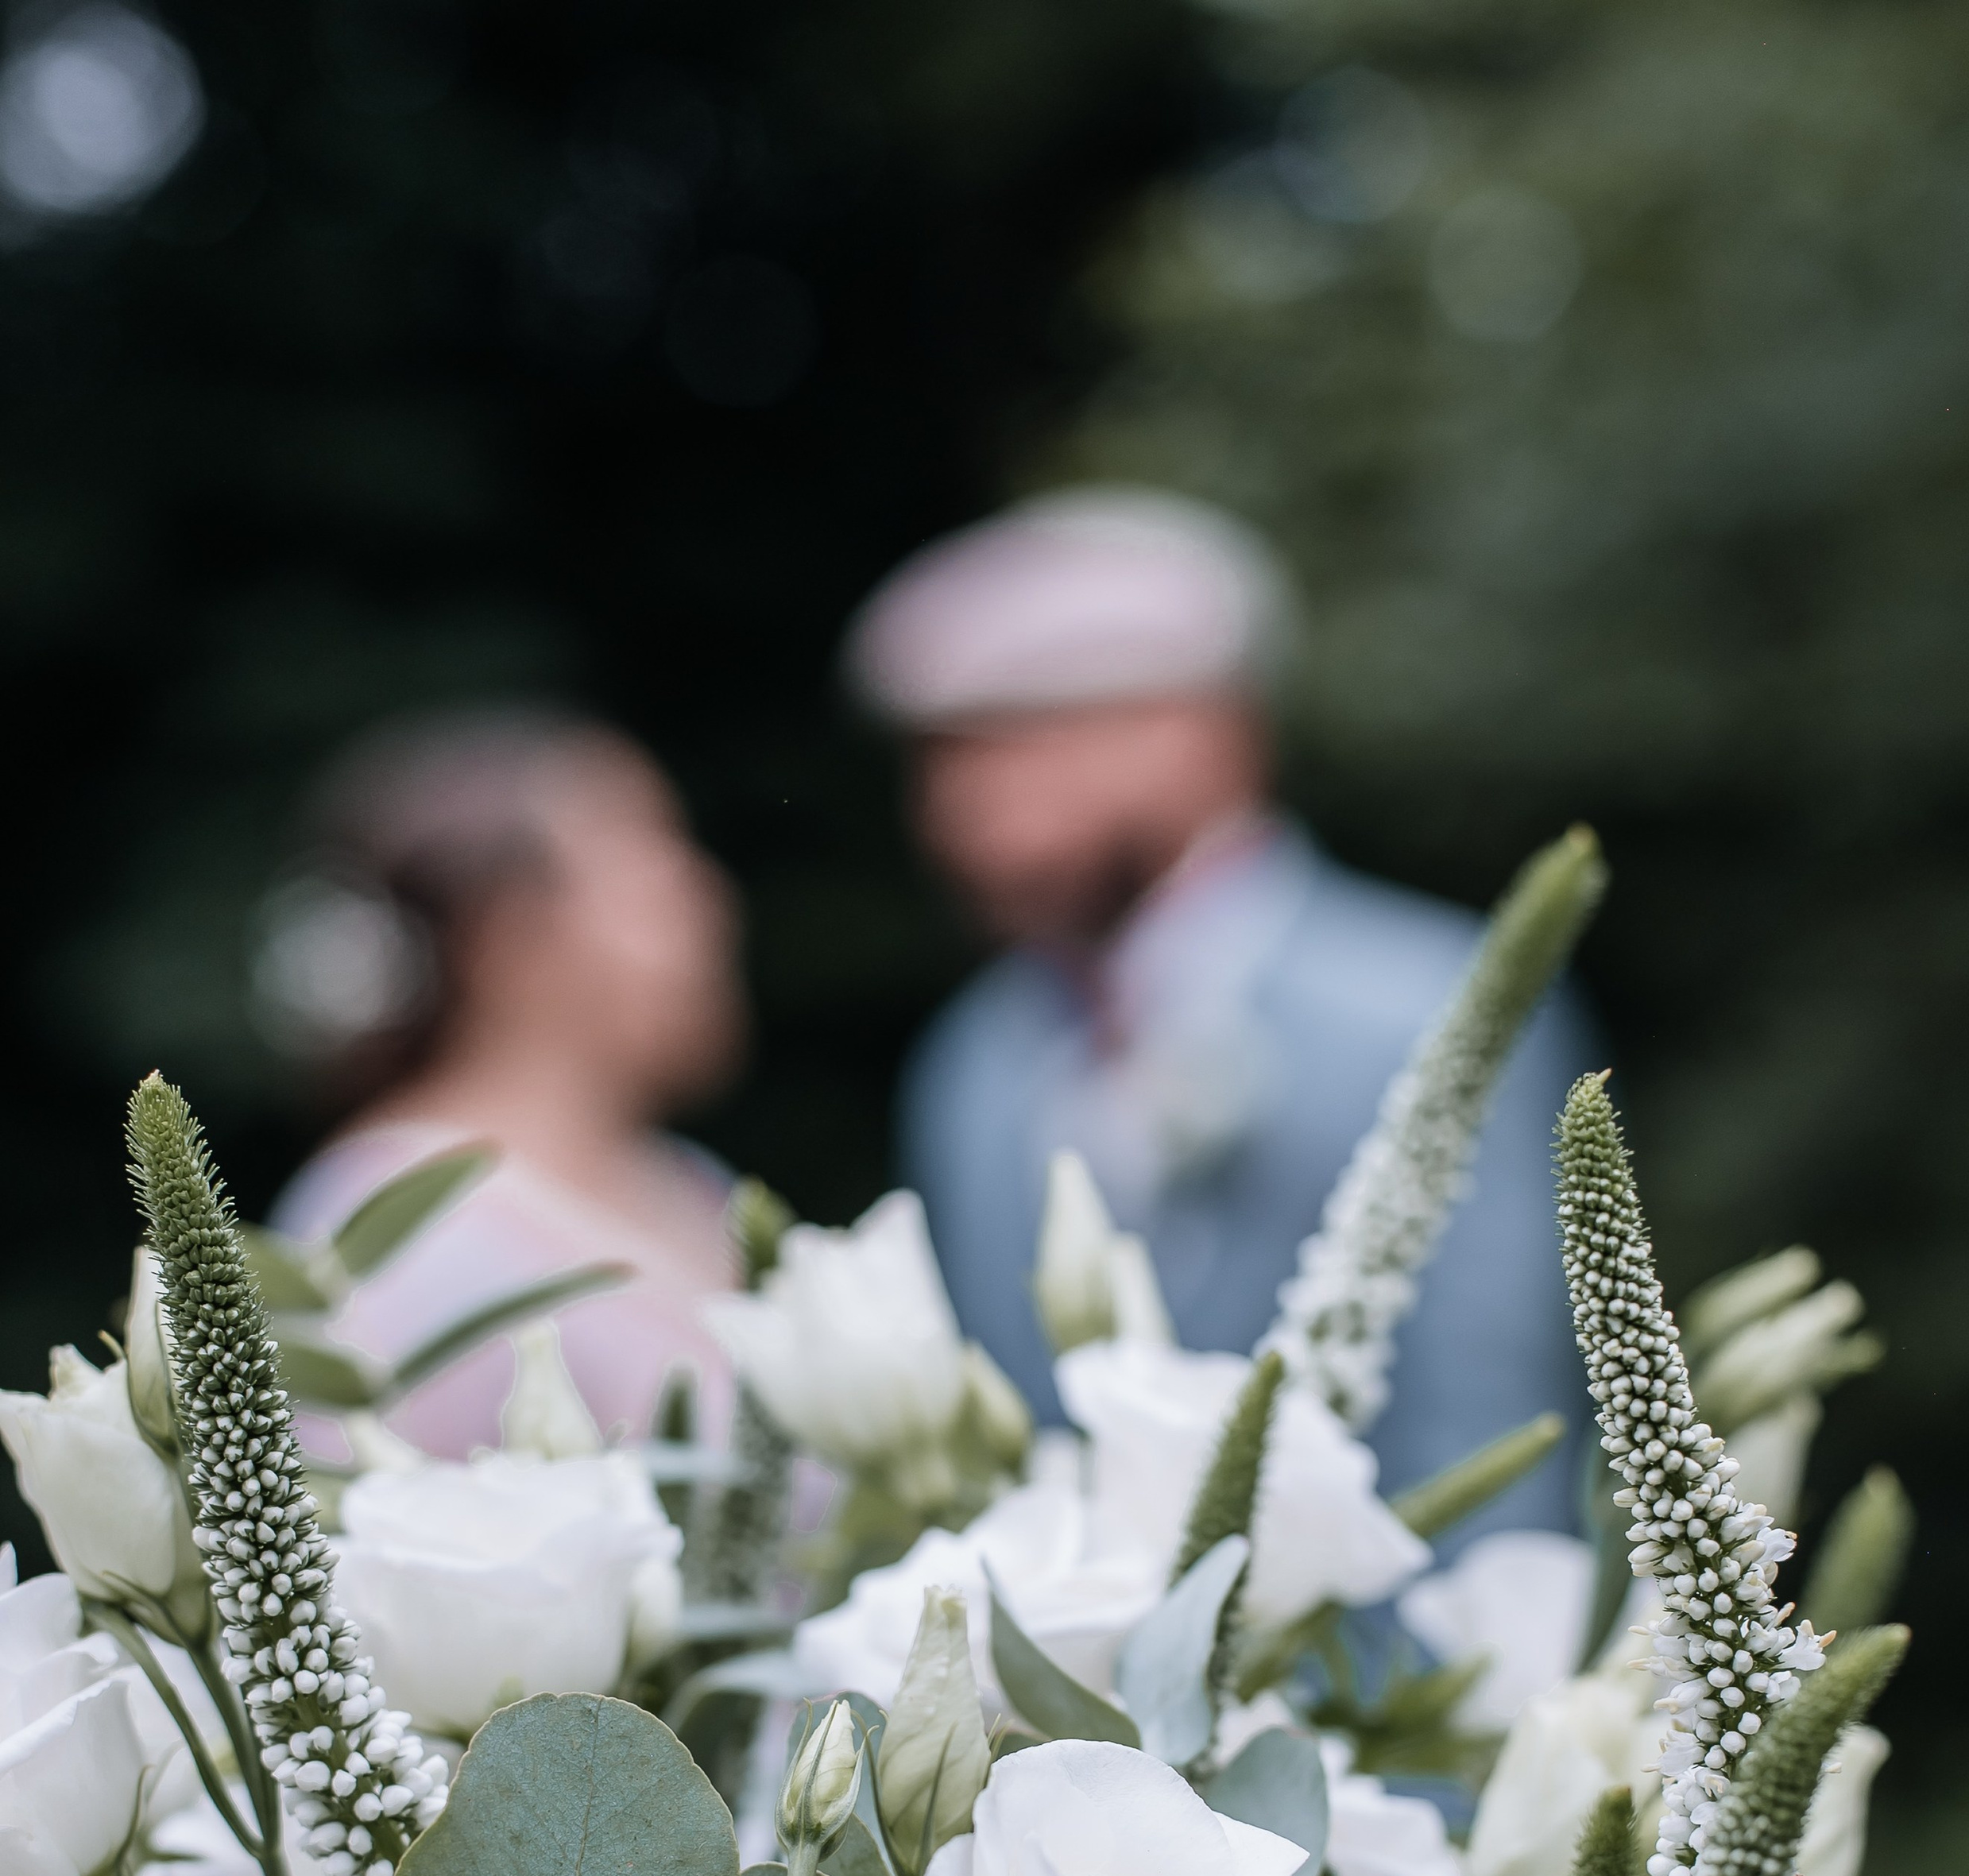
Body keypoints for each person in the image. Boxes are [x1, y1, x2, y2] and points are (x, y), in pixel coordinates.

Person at [847, 489, 1593, 1521]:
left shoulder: (1432, 1007)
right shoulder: (971, 1057)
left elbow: (1489, 1430)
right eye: (936, 761)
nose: (958, 807)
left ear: (1205, 730)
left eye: (1021, 741)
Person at [264, 709, 746, 1456]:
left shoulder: (692, 1185)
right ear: (506, 937)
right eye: (652, 858)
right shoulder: (388, 1236)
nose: (706, 899)